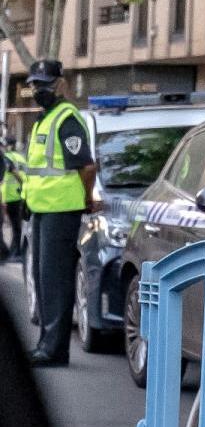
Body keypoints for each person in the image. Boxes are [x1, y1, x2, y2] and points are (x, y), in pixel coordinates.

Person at [24, 59, 98, 367]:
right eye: (35, 85)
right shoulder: (45, 118)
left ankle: (54, 350)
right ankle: (46, 344)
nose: (39, 90)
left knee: (55, 281)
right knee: (42, 280)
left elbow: (88, 166)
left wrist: (85, 198)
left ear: (61, 84)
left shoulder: (67, 117)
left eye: (45, 84)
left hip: (62, 210)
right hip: (42, 209)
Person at [2, 137, 27, 260]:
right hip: (19, 194)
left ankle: (17, 252)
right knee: (17, 225)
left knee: (15, 226)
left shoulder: (7, 157)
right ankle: (15, 250)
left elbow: (15, 173)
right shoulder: (21, 157)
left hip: (10, 196)